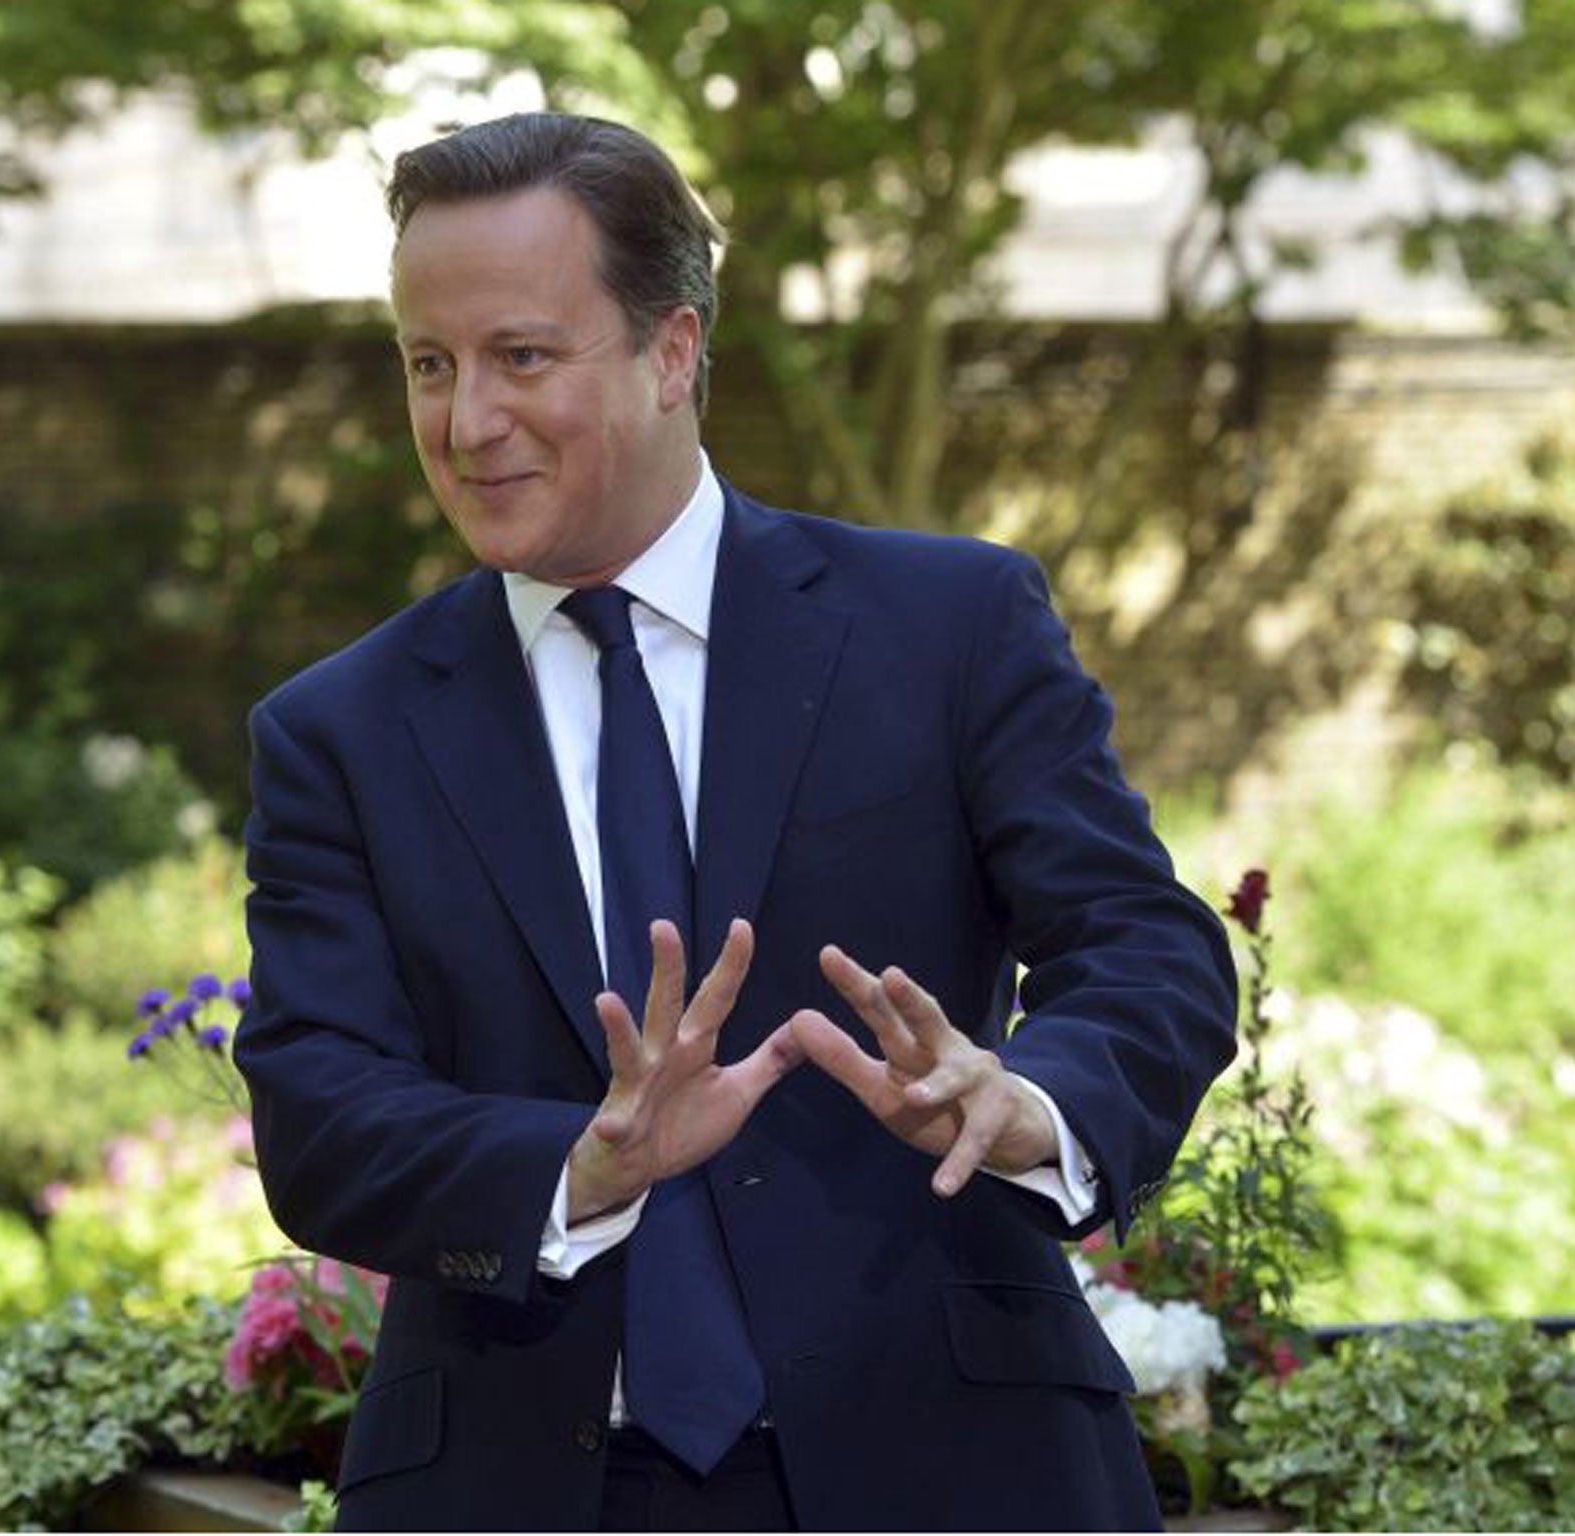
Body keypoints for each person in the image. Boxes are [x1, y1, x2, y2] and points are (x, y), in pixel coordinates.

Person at [233, 111, 1237, 1532]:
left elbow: (1149, 948)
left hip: (957, 1471)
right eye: (429, 366)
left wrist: (1033, 1103)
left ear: (675, 353)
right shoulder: (336, 731)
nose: (465, 424)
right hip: (521, 1489)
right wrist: (576, 1167)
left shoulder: (948, 626)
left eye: (522, 356)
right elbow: (319, 1110)